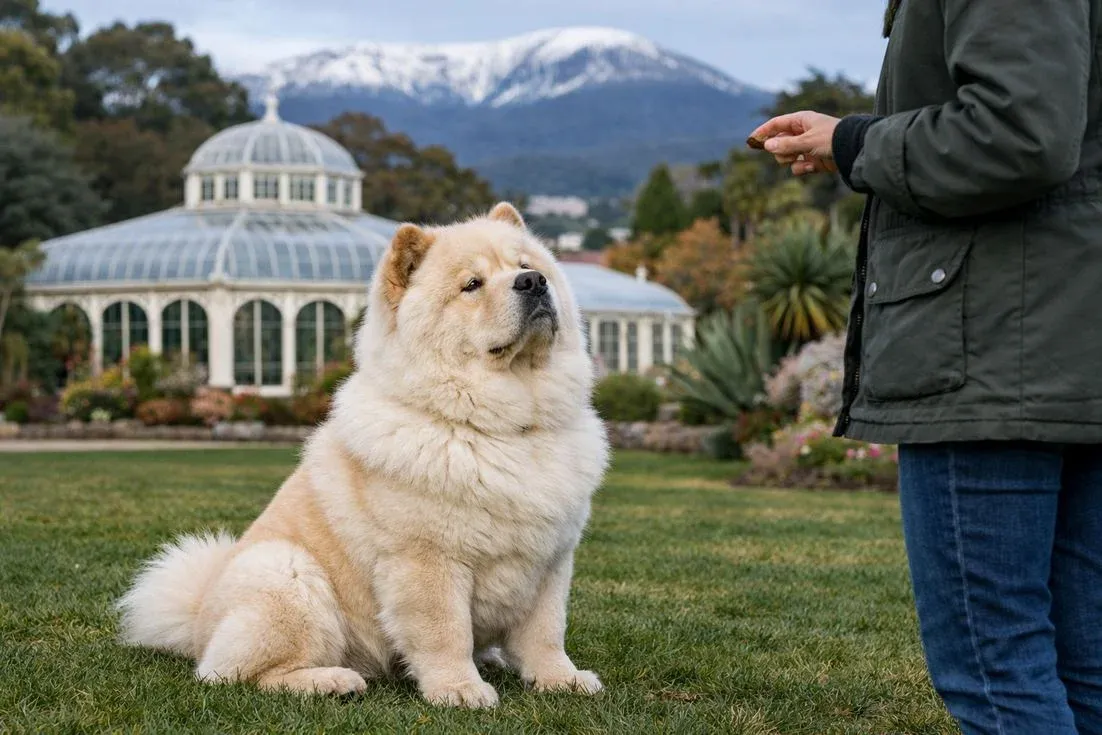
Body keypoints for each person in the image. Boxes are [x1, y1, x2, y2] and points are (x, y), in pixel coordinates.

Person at [748, 1, 1102, 733]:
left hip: (992, 351)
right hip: (1062, 340)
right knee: (1081, 668)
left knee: (997, 670)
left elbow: (1021, 135)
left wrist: (862, 145)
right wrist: (851, 140)